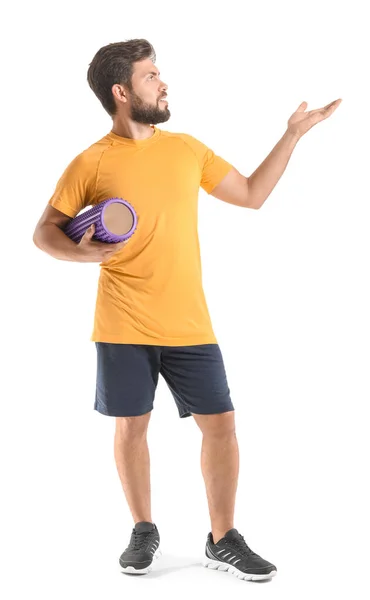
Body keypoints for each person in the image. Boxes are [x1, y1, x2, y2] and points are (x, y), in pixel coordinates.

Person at [33, 38, 341, 581]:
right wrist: (80, 252)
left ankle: (222, 538)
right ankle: (143, 530)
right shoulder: (91, 161)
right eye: (152, 76)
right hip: (123, 320)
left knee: (221, 425)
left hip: (189, 321)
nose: (164, 82)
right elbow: (44, 234)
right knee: (132, 427)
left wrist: (292, 135)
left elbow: (250, 194)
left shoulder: (187, 149)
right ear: (121, 92)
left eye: (161, 73)